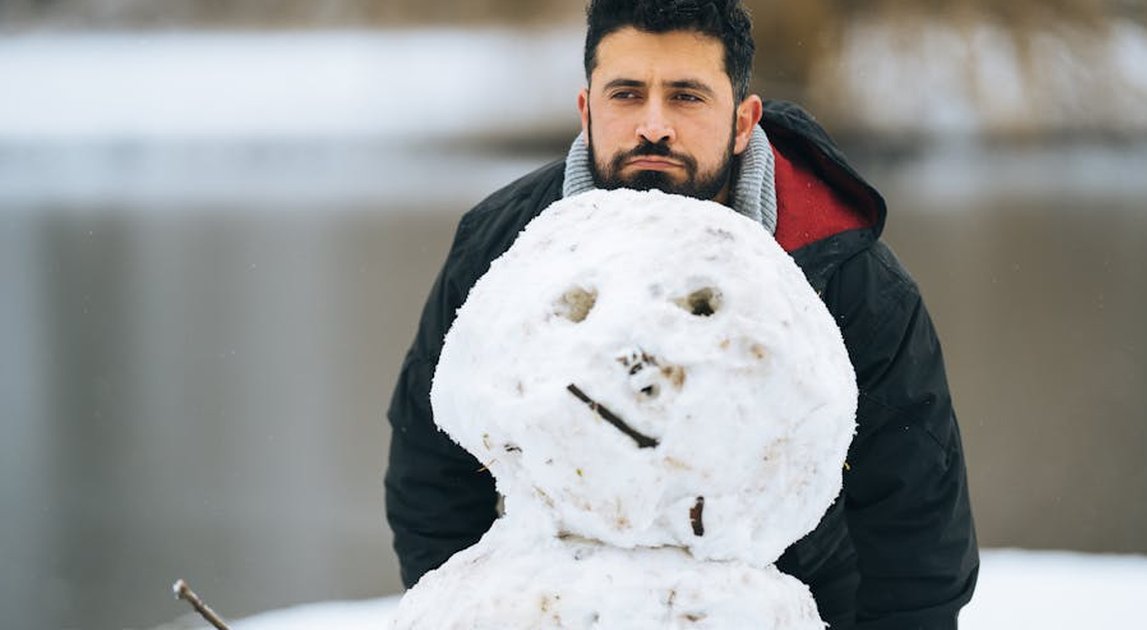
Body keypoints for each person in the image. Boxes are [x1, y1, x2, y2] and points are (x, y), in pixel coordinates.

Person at [385, 0, 979, 627]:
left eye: (687, 96)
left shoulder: (847, 271)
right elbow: (431, 466)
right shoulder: (503, 244)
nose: (654, 126)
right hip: (566, 605)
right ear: (587, 111)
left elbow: (916, 519)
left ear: (744, 120)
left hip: (791, 600)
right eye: (627, 93)